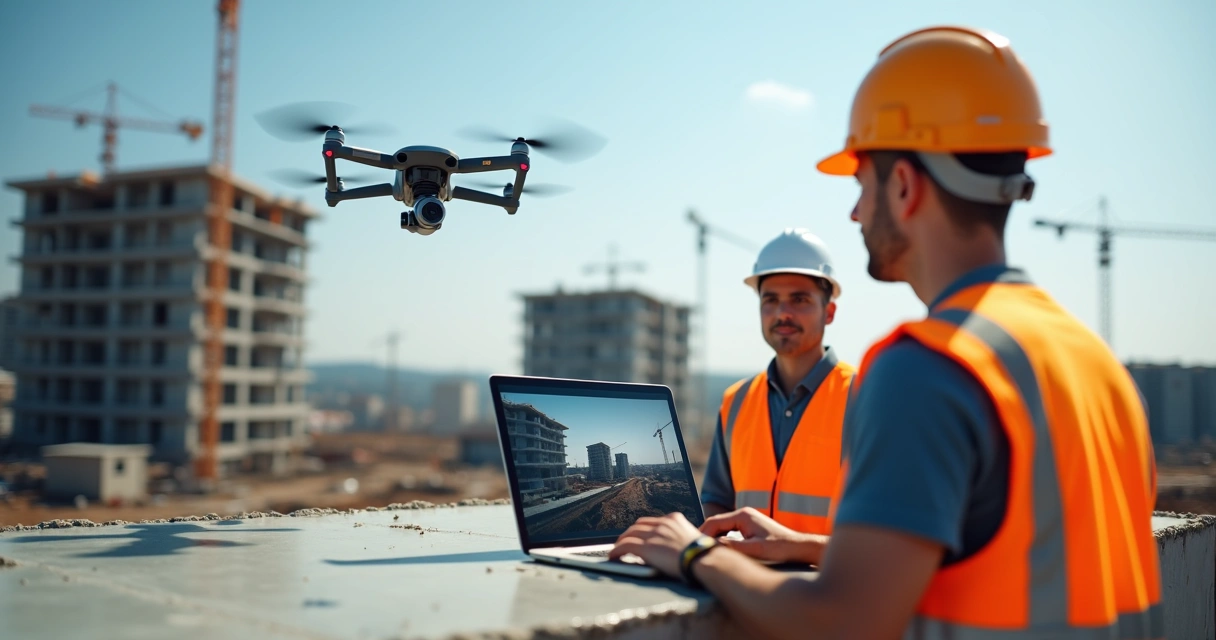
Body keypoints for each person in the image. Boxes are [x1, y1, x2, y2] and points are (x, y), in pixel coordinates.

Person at [610, 25, 1162, 639]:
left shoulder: (928, 368)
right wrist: (803, 544)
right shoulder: (1099, 365)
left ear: (902, 184)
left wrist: (692, 553)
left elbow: (844, 621)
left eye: (860, 185)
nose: (854, 211)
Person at [699, 229, 854, 547]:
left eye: (799, 299)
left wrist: (790, 547)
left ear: (829, 312)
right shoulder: (736, 402)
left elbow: (886, 537)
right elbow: (716, 503)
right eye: (770, 300)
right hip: (738, 576)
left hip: (833, 578)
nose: (783, 313)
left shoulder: (865, 397)